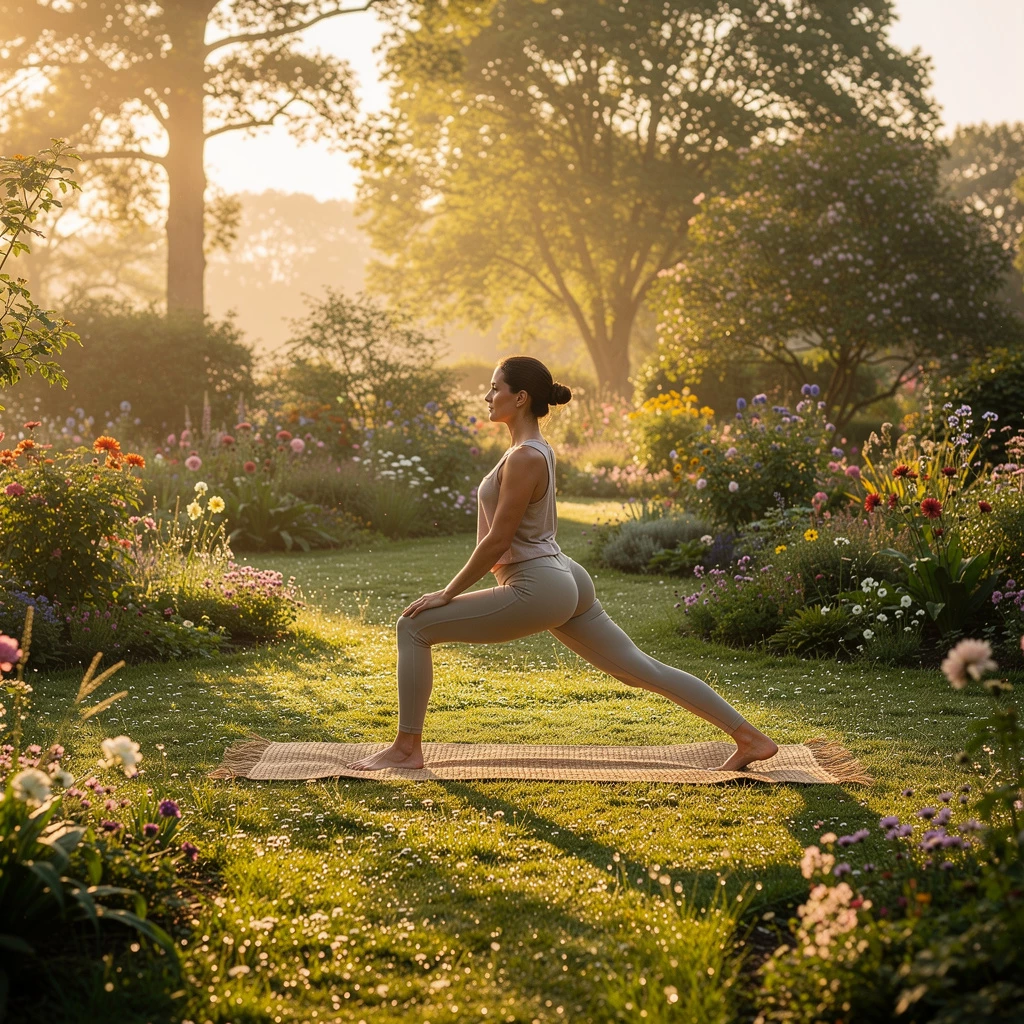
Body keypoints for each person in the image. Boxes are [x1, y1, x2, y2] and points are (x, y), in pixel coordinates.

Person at [347, 355, 778, 773]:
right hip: (561, 574)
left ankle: (406, 750)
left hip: (538, 584)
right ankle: (750, 738)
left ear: (520, 397)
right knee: (640, 669)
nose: (487, 396)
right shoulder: (534, 450)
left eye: (495, 388)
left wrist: (448, 593)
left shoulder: (524, 457)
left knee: (414, 627)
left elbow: (498, 540)